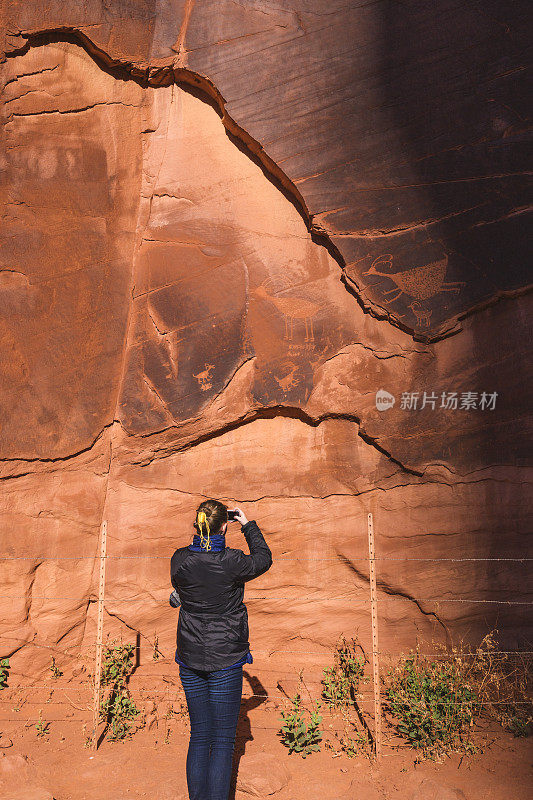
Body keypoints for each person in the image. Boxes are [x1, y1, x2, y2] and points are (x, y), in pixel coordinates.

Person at [170, 499, 273, 800]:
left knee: (200, 735)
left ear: (198, 523)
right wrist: (248, 524)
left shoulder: (180, 559)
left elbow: (183, 586)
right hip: (225, 659)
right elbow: (263, 559)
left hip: (190, 657)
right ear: (225, 525)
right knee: (224, 740)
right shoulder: (233, 562)